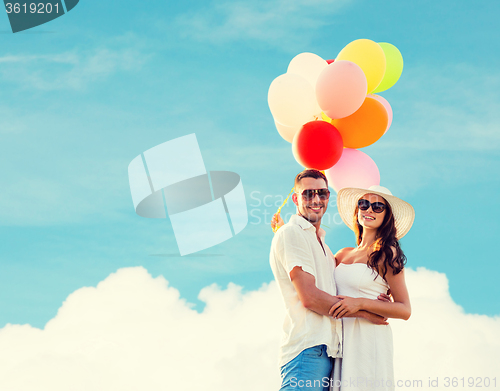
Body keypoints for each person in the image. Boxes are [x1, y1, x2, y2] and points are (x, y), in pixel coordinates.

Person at [269, 170, 389, 391]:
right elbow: (310, 298)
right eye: (308, 194)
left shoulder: (323, 246)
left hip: (328, 352)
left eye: (322, 193)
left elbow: (348, 280)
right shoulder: (292, 233)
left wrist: (374, 295)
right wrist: (364, 312)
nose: (316, 200)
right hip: (307, 350)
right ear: (295, 199)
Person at [327, 185, 415, 391]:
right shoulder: (342, 254)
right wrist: (291, 232)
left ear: (387, 216)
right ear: (357, 210)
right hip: (340, 338)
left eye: (377, 207)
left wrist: (361, 304)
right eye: (364, 204)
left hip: (368, 338)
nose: (369, 210)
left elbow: (405, 309)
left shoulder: (387, 253)